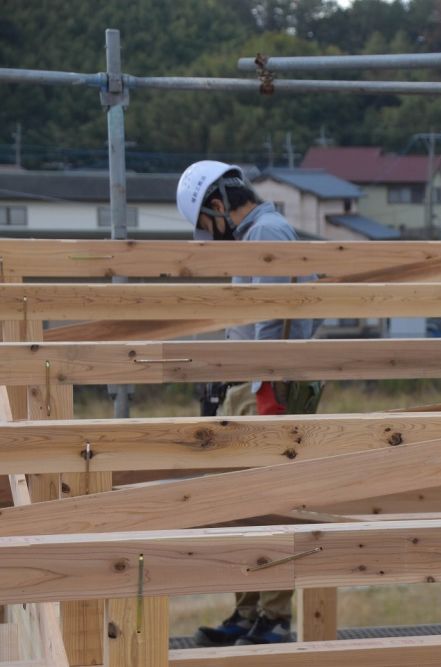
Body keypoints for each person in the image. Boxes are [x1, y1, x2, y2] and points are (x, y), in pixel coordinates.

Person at [176, 160, 323, 646]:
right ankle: (248, 611)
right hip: (250, 385)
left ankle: (273, 619)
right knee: (244, 505)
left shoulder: (270, 235)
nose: (211, 237)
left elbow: (275, 321)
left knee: (271, 503)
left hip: (266, 388)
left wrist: (266, 390)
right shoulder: (258, 235)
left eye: (206, 226)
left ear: (218, 206)